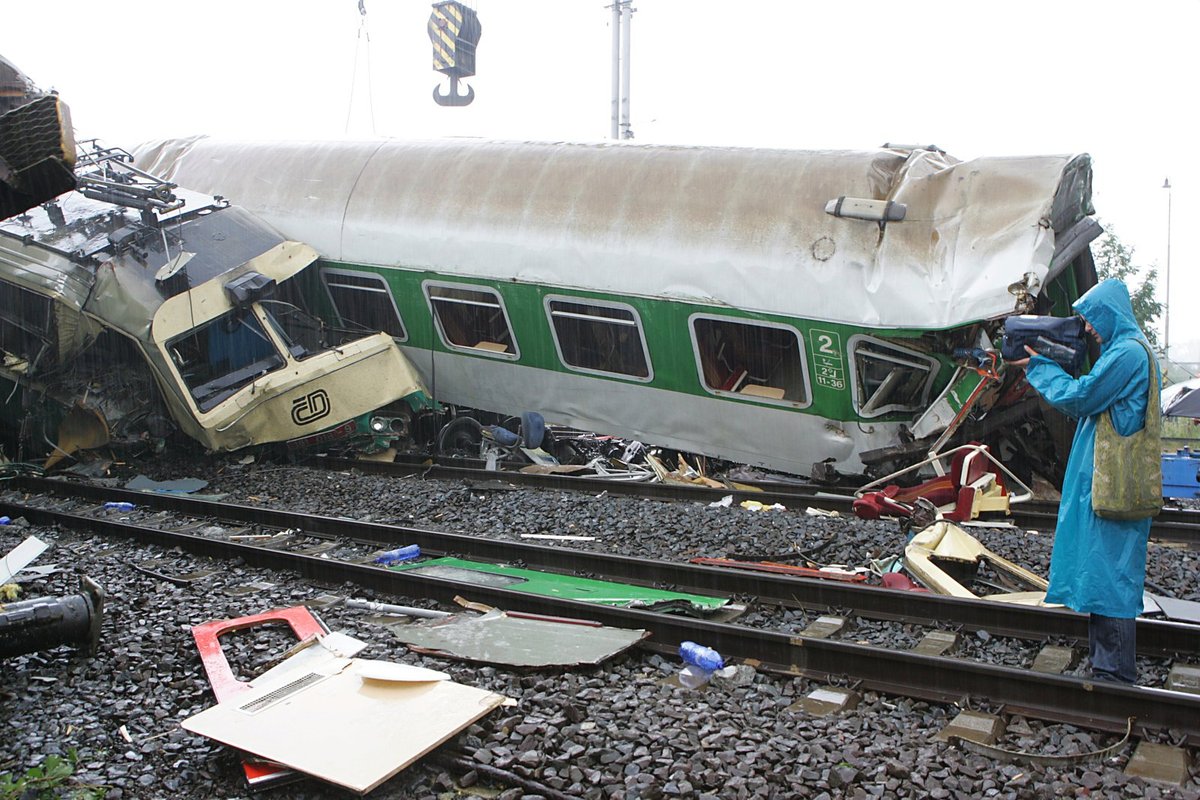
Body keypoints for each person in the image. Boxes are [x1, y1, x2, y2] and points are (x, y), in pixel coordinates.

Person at [1009, 278, 1159, 683]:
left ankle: (1114, 673)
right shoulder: (1128, 351)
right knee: (1105, 570)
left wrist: (1040, 367)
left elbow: (1080, 397)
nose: (1088, 327)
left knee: (1109, 573)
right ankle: (1107, 665)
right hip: (1110, 481)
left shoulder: (1127, 354)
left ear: (1110, 314)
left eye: (1093, 318)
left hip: (1111, 483)